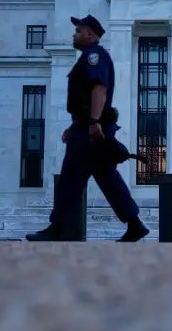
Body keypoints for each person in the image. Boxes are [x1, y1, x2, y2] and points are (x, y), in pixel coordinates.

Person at [26, 14, 150, 242]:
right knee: (108, 178)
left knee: (70, 180)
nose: (74, 34)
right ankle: (135, 223)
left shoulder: (94, 56)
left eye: (78, 30)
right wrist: (75, 126)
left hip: (91, 131)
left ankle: (57, 228)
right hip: (87, 127)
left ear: (90, 34)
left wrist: (92, 123)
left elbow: (99, 90)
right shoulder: (90, 57)